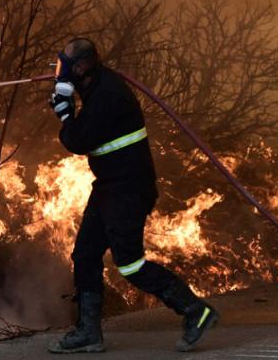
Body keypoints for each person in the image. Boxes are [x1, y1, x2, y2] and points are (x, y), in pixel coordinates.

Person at [47, 38, 218, 353]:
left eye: (65, 67)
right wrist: (70, 99)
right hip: (111, 186)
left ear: (82, 66)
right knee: (85, 254)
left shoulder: (108, 96)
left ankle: (196, 310)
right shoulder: (97, 86)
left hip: (129, 190)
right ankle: (89, 332)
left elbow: (78, 139)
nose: (60, 73)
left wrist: (66, 114)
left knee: (129, 264)